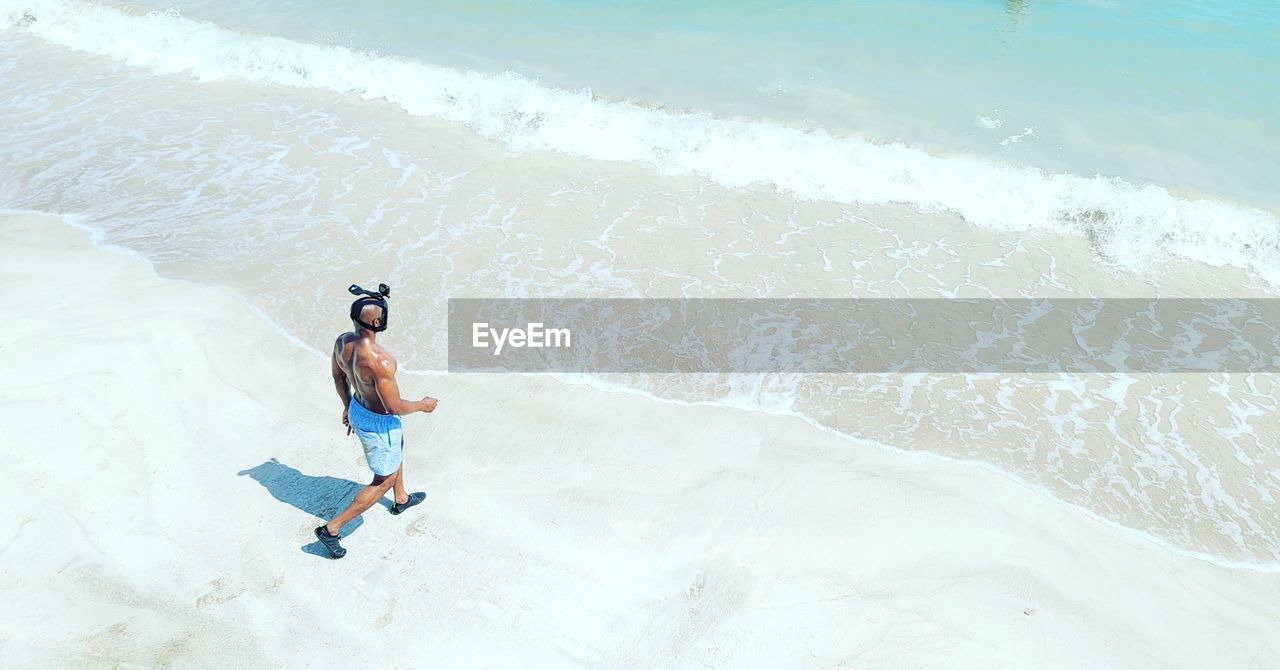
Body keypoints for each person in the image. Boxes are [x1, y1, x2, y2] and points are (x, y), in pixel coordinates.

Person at [314, 289, 437, 559]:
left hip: (358, 407)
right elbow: (394, 406)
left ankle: (401, 498)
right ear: (379, 324)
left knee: (397, 444)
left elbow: (338, 378)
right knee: (383, 479)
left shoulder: (342, 343)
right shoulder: (380, 362)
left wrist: (348, 406)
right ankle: (331, 529)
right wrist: (422, 405)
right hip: (379, 422)